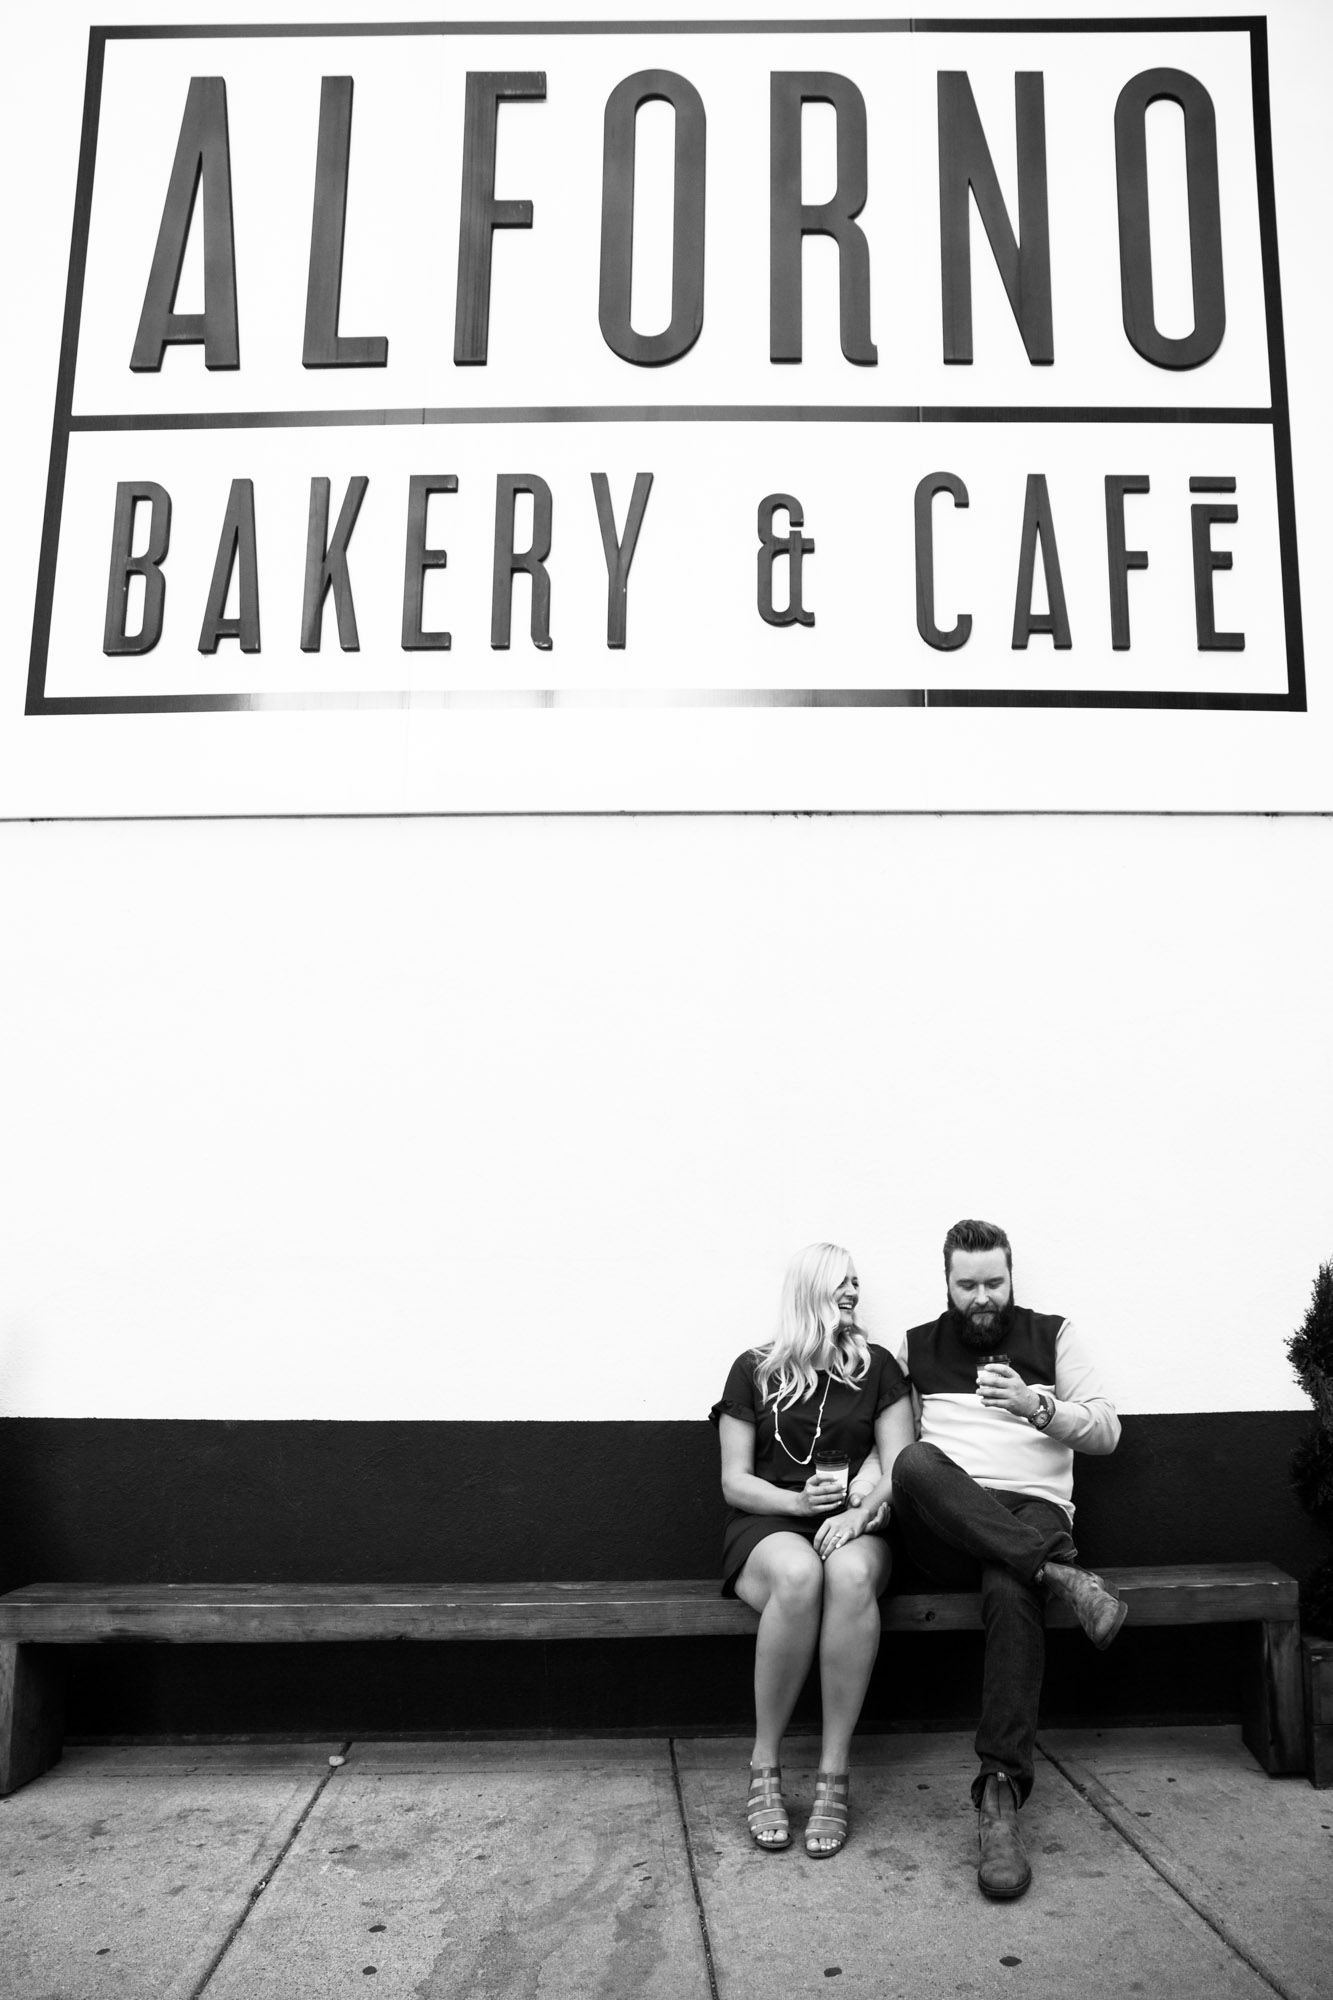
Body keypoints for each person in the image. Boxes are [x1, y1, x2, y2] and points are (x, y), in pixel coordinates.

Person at [890, 1218, 1124, 1903]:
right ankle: (1060, 1574)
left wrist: (1037, 1405)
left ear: (1011, 1275)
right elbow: (898, 1459)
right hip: (947, 1527)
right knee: (914, 1462)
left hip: (1032, 1512)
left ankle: (998, 1801)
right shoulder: (913, 1348)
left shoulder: (1052, 1336)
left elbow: (1107, 1431)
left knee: (1008, 1585)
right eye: (968, 1285)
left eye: (994, 1282)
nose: (982, 1297)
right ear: (947, 1284)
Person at [710, 1242, 914, 1858]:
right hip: (771, 1526)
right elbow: (734, 1480)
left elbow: (902, 1468)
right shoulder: (753, 1368)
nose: (852, 1292)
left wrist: (857, 1515)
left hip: (857, 1523)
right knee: (800, 1576)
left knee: (848, 1578)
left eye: (856, 1282)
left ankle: (832, 1773)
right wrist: (797, 1504)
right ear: (807, 1291)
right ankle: (764, 1763)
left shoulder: (877, 1367)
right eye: (839, 1283)